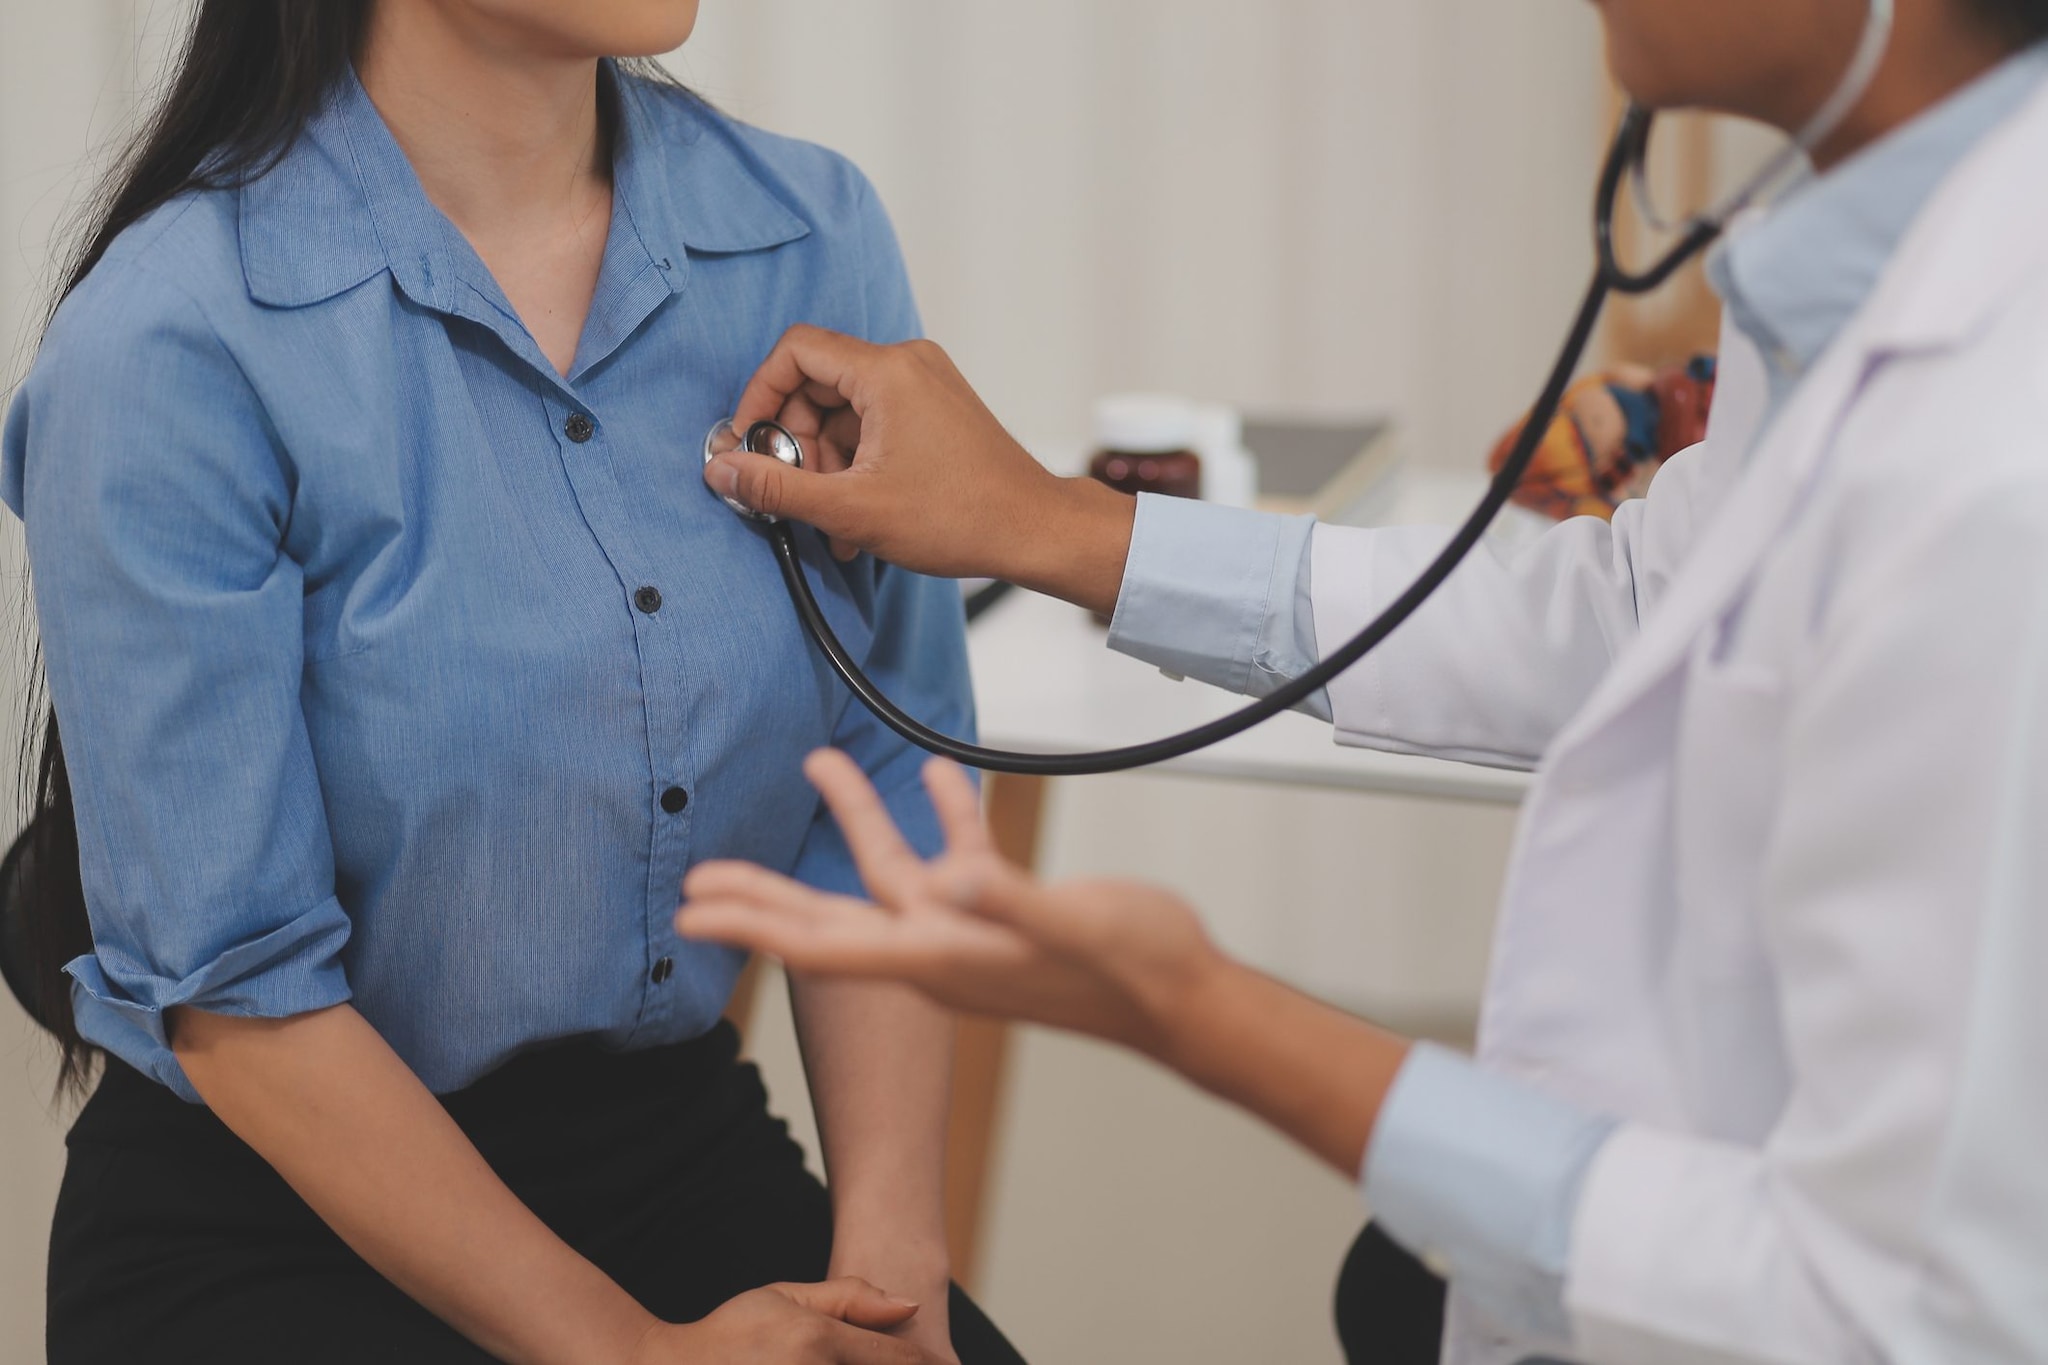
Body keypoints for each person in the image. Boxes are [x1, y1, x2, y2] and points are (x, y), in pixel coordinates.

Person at [677, 1, 2048, 1361]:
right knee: (1397, 1290)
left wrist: (1197, 1010)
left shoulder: (1997, 470)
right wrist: (1050, 524)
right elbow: (1639, 614)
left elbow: (1900, 1303)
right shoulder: (1861, 253)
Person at [0, 3, 1026, 1363]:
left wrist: (895, 1283)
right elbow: (240, 998)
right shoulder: (169, 341)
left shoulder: (807, 231)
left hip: (673, 1152)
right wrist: (633, 1350)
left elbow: (882, 778)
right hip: (278, 1210)